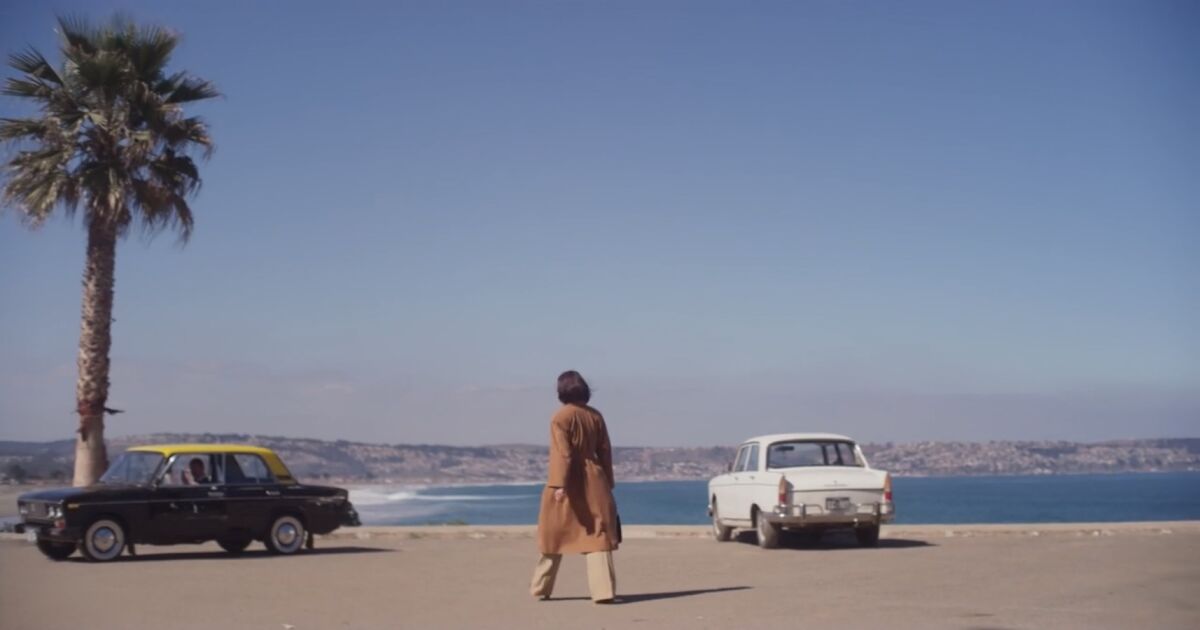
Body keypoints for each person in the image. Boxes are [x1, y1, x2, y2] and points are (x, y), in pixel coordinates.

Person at [530, 370, 619, 603]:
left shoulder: (560, 417)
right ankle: (604, 592)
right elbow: (605, 451)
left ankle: (541, 588)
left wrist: (560, 484)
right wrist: (607, 480)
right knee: (597, 535)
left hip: (566, 480)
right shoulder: (595, 416)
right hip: (594, 477)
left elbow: (564, 454)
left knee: (552, 534)